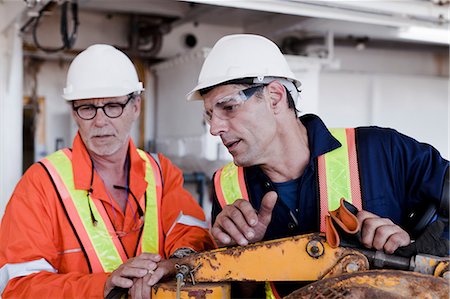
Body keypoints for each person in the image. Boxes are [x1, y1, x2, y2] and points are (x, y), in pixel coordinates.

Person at [187, 34, 449, 297]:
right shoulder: (226, 188)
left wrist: (412, 249)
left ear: (275, 97)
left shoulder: (383, 151)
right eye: (210, 115)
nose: (214, 128)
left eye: (229, 107)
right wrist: (238, 258)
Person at [0, 44, 215, 299]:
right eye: (87, 108)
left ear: (136, 107)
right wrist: (102, 286)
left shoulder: (161, 173)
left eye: (113, 106)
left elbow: (194, 237)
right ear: (74, 113)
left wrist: (175, 264)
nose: (100, 121)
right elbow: (18, 289)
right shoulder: (40, 184)